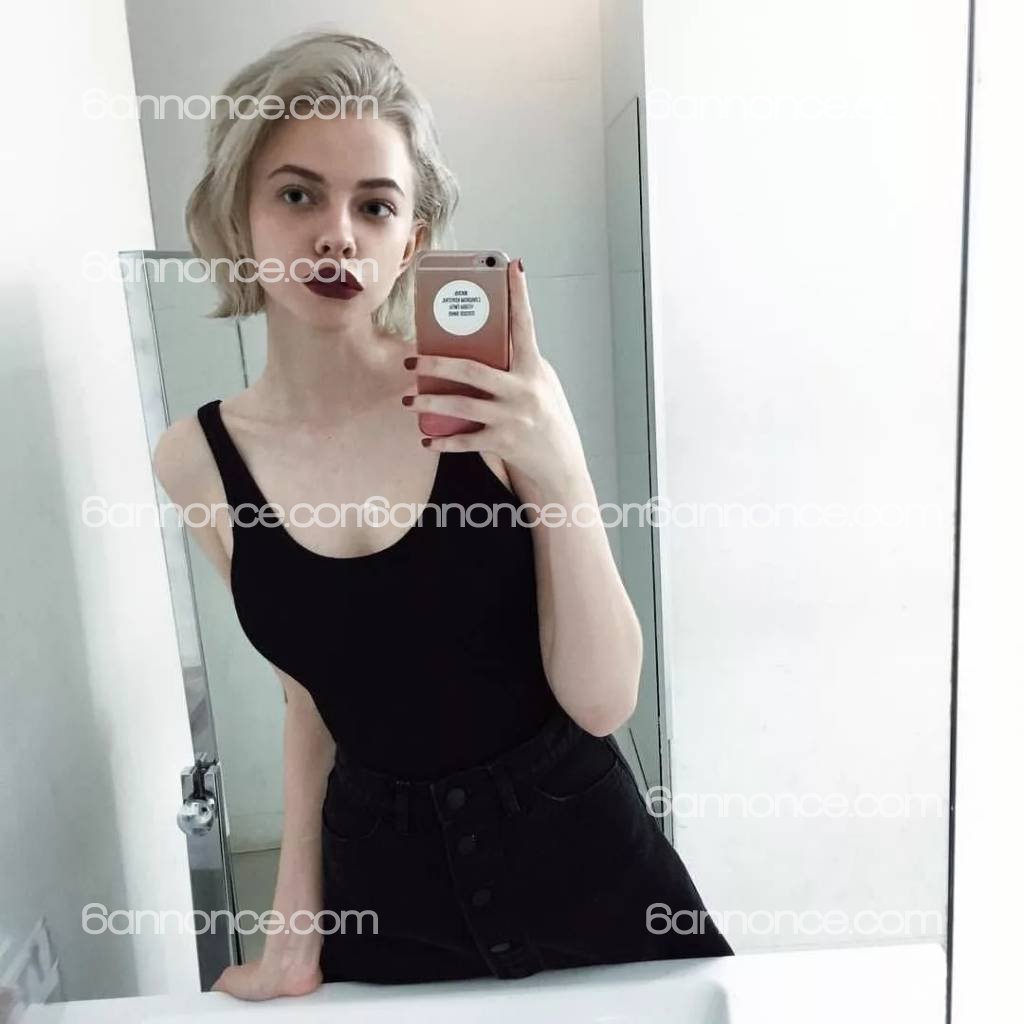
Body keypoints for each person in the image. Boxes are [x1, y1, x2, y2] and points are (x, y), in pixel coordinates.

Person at [154, 30, 732, 1001]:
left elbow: (602, 702)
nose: (338, 234)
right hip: (383, 896)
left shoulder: (490, 403)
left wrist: (558, 464)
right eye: (297, 195)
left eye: (374, 205)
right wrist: (292, 935)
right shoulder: (195, 460)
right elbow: (308, 701)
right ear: (237, 217)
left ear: (412, 242)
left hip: (585, 866)